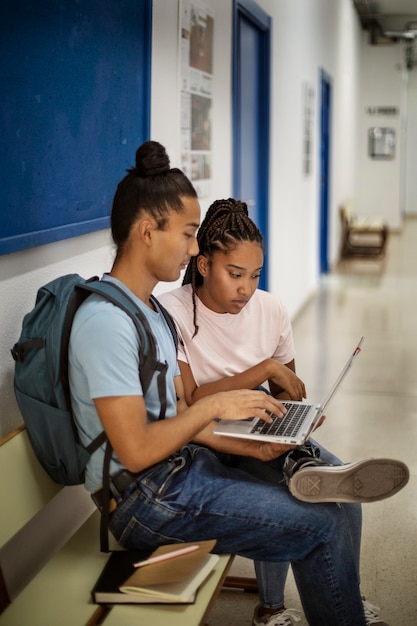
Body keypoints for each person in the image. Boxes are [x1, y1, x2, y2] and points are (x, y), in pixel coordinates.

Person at [68, 142, 407, 626]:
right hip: (148, 499)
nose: (192, 249)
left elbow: (174, 420)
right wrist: (212, 408)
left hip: (182, 469)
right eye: (187, 234)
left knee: (326, 511)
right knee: (320, 525)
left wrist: (252, 450)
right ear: (147, 232)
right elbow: (140, 450)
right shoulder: (108, 322)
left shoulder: (143, 312)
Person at [158, 197, 408, 626]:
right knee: (290, 497)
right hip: (207, 441)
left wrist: (299, 416)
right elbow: (194, 398)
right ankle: (270, 610)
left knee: (347, 494)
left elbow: (284, 391)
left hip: (257, 430)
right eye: (234, 274)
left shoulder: (270, 309)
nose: (246, 289)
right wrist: (264, 368)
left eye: (255, 275)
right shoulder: (173, 312)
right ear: (203, 265)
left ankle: (350, 598)